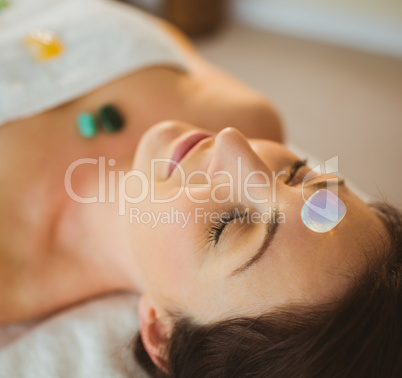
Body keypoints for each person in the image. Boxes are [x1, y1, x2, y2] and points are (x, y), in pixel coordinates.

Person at [0, 0, 400, 377]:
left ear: (160, 333)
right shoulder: (251, 117)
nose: (232, 144)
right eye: (298, 173)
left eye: (230, 223)